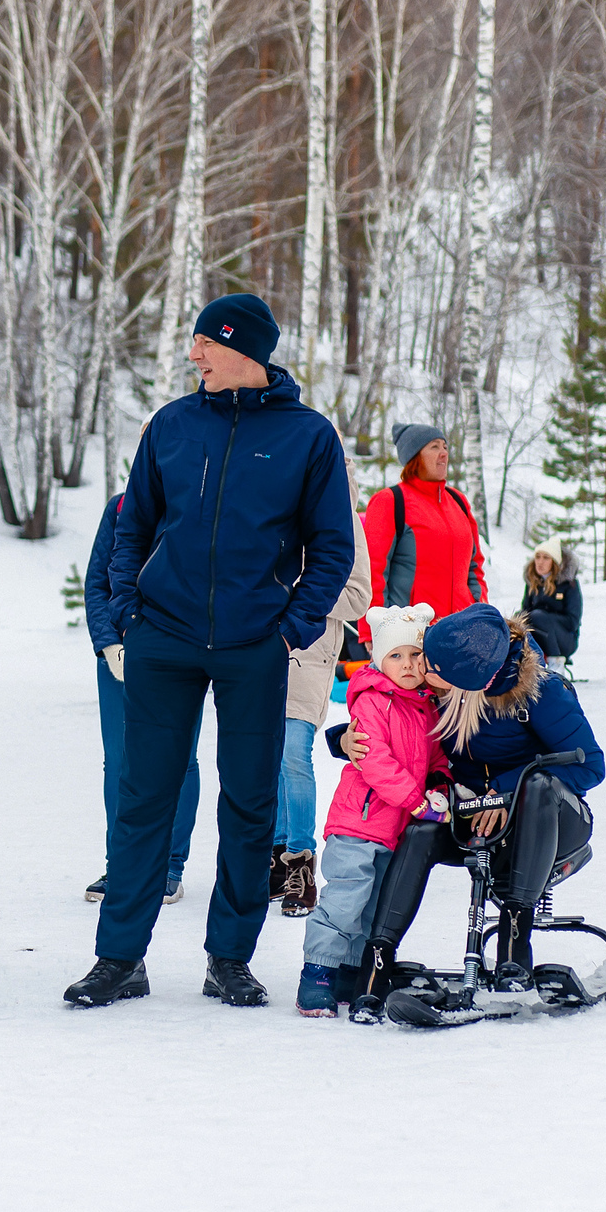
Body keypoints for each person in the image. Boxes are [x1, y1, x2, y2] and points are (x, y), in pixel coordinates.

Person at [64, 292, 355, 1010]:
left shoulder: (307, 437)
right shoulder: (170, 425)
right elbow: (133, 527)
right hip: (163, 637)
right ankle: (119, 958)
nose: (193, 354)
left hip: (255, 643)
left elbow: (333, 547)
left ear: (246, 351)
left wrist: (291, 626)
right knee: (143, 799)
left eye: (205, 342)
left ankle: (230, 957)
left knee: (250, 802)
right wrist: (130, 610)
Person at [331, 602, 605, 1008]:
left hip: (548, 822)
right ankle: (377, 959)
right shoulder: (442, 683)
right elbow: (392, 719)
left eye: (430, 667)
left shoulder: (541, 692)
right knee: (422, 828)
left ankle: (514, 947)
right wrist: (342, 739)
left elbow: (591, 766)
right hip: (474, 818)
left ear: (467, 679)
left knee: (542, 785)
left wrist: (506, 792)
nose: (421, 670)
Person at [297, 604, 447, 1016]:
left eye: (415, 655)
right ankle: (317, 973)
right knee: (346, 900)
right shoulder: (372, 701)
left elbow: (436, 757)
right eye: (396, 656)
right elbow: (375, 761)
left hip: (394, 829)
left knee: (374, 907)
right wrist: (417, 801)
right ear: (380, 661)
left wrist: (439, 785)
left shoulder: (426, 705)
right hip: (358, 824)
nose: (408, 664)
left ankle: (349, 972)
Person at [83, 491, 200, 906]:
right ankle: (123, 864)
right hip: (119, 653)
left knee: (179, 758)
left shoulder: (199, 505)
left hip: (180, 652)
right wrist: (108, 643)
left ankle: (169, 865)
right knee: (119, 758)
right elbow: (97, 581)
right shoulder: (119, 507)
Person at [271, 454, 372, 917]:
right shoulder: (276, 511)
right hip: (262, 649)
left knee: (293, 754)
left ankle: (301, 862)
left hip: (310, 651)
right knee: (262, 758)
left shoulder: (346, 522)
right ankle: (273, 859)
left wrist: (300, 595)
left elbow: (358, 598)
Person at [357, 423, 484, 646]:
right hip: (411, 634)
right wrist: (372, 631)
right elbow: (372, 571)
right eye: (434, 447)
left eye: (445, 446)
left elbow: (474, 567)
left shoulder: (459, 502)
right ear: (414, 456)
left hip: (462, 633)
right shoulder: (390, 501)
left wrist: (479, 608)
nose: (444, 453)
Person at [520, 536, 581, 674]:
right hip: (539, 636)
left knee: (538, 616)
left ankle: (556, 664)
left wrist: (544, 618)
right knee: (519, 618)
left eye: (546, 558)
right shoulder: (532, 582)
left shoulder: (569, 585)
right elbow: (525, 613)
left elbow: (573, 621)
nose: (540, 562)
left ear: (554, 562)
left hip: (565, 639)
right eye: (538, 557)